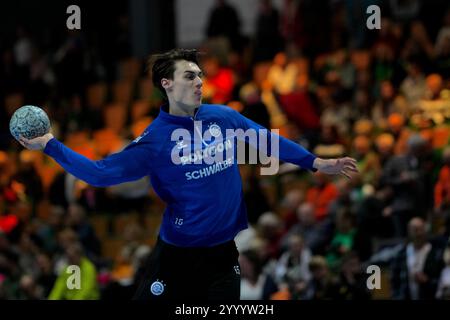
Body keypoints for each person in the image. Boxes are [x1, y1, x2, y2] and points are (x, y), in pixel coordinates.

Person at [18, 48, 358, 300]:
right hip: (176, 257)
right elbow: (99, 173)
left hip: (223, 256)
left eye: (200, 75)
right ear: (166, 84)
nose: (199, 82)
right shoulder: (153, 142)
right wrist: (50, 145)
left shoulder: (224, 117)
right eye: (189, 76)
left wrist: (318, 163)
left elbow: (269, 141)